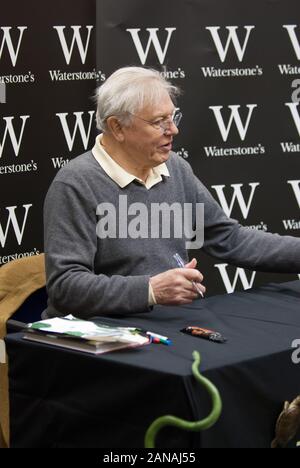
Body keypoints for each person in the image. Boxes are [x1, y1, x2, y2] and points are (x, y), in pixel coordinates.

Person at [43, 66, 300, 319]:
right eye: (159, 122)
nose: (173, 130)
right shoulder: (76, 183)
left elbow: (229, 239)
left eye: (173, 118)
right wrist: (150, 291)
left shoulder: (174, 168)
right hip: (99, 336)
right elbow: (66, 287)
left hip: (169, 325)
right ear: (117, 127)